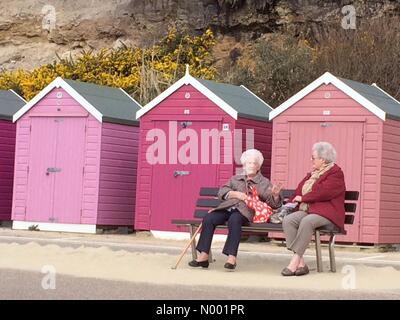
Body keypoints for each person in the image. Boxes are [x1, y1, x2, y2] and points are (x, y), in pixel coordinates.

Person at [188, 149, 283, 270]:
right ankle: (203, 256)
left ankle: (231, 257)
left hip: (245, 211)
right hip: (227, 208)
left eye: (254, 163)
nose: (250, 165)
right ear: (244, 165)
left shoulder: (264, 183)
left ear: (258, 166)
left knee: (234, 219)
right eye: (248, 163)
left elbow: (274, 205)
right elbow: (221, 192)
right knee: (209, 218)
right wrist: (236, 194)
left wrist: (275, 195)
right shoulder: (235, 179)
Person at [281, 142, 346, 276]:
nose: (311, 160)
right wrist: (293, 200)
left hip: (329, 214)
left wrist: (303, 198)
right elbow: (299, 191)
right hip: (311, 210)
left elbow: (324, 192)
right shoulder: (312, 174)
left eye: (313, 157)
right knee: (289, 220)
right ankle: (301, 264)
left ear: (322, 159)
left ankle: (294, 261)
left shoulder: (335, 173)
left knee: (307, 221)